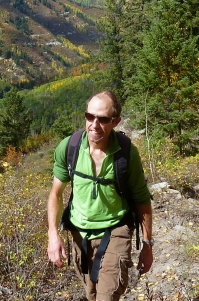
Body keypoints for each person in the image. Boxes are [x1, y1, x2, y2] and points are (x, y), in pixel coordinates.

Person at [47, 91, 154, 301]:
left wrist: (147, 245)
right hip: (80, 235)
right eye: (89, 116)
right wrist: (53, 233)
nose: (94, 125)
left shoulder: (126, 154)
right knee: (92, 295)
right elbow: (56, 193)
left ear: (116, 121)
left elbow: (142, 200)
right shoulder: (69, 148)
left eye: (103, 119)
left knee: (107, 297)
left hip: (115, 231)